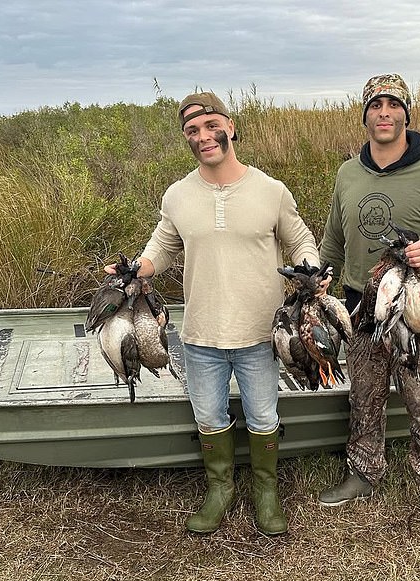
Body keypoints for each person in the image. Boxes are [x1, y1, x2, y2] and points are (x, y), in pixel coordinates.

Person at [108, 91, 327, 536]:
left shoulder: (271, 191)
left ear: (230, 127)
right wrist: (137, 268)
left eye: (211, 126)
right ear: (187, 138)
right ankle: (219, 490)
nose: (203, 136)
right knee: (209, 418)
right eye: (192, 130)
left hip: (260, 334)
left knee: (264, 418)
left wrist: (309, 266)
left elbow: (301, 239)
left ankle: (266, 492)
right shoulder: (178, 195)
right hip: (201, 334)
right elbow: (163, 248)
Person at [318, 74, 420, 537]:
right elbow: (334, 236)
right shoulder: (348, 172)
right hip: (361, 310)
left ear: (406, 113)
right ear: (365, 114)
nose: (384, 113)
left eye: (393, 104)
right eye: (375, 105)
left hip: (417, 312)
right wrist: (319, 276)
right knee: (363, 398)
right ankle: (363, 474)